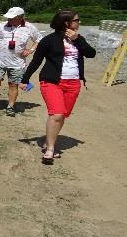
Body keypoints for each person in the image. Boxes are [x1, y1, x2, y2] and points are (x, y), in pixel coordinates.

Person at [20, 10, 96, 164]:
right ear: (66, 23)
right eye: (76, 20)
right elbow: (36, 61)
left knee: (63, 115)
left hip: (73, 83)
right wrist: (25, 79)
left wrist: (78, 40)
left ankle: (50, 141)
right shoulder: (49, 40)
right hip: (52, 81)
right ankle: (49, 149)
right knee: (57, 114)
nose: (79, 22)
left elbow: (91, 54)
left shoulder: (78, 39)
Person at [0, 6, 42, 116]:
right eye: (8, 17)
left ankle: (10, 106)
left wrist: (30, 50)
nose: (9, 20)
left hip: (17, 63)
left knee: (13, 84)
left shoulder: (29, 27)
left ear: (20, 17)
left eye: (12, 18)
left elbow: (39, 39)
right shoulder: (1, 26)